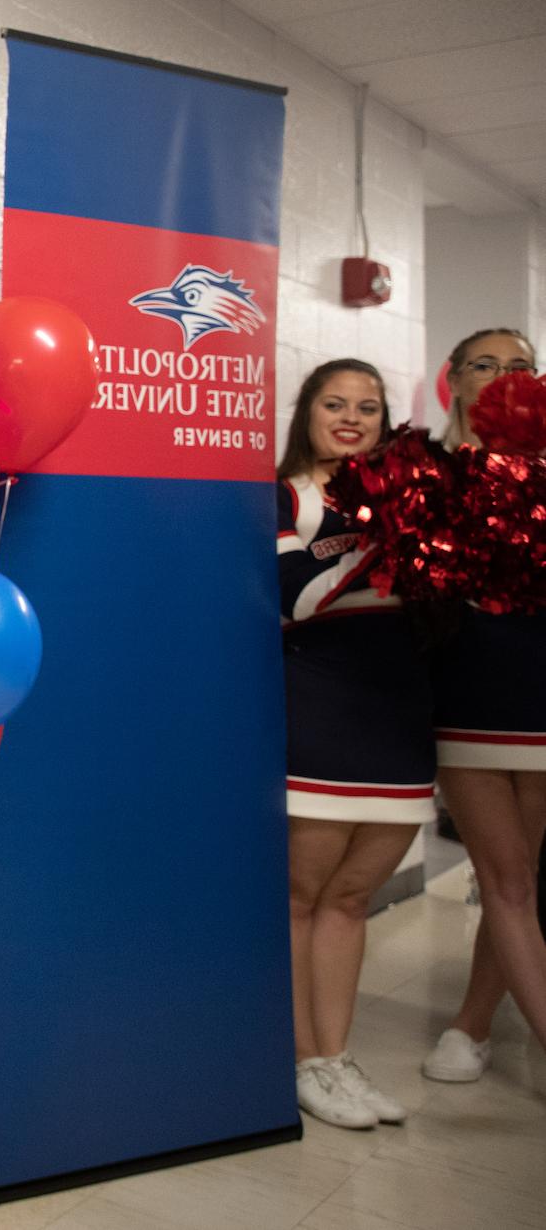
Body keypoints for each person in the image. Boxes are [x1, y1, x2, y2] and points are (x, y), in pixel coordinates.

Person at [275, 359, 433, 1128]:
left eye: (366, 407)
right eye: (333, 403)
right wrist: (377, 537)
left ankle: (334, 1057)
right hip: (320, 709)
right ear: (306, 412)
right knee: (302, 895)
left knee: (350, 895)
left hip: (400, 715)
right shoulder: (285, 495)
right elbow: (289, 597)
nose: (350, 416)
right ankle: (305, 1060)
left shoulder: (415, 499)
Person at [421, 328, 546, 1089]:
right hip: (466, 697)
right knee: (502, 877)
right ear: (453, 380)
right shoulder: (422, 475)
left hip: (541, 695)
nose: (504, 376)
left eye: (521, 366)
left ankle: (471, 1024)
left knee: (518, 880)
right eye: (486, 364)